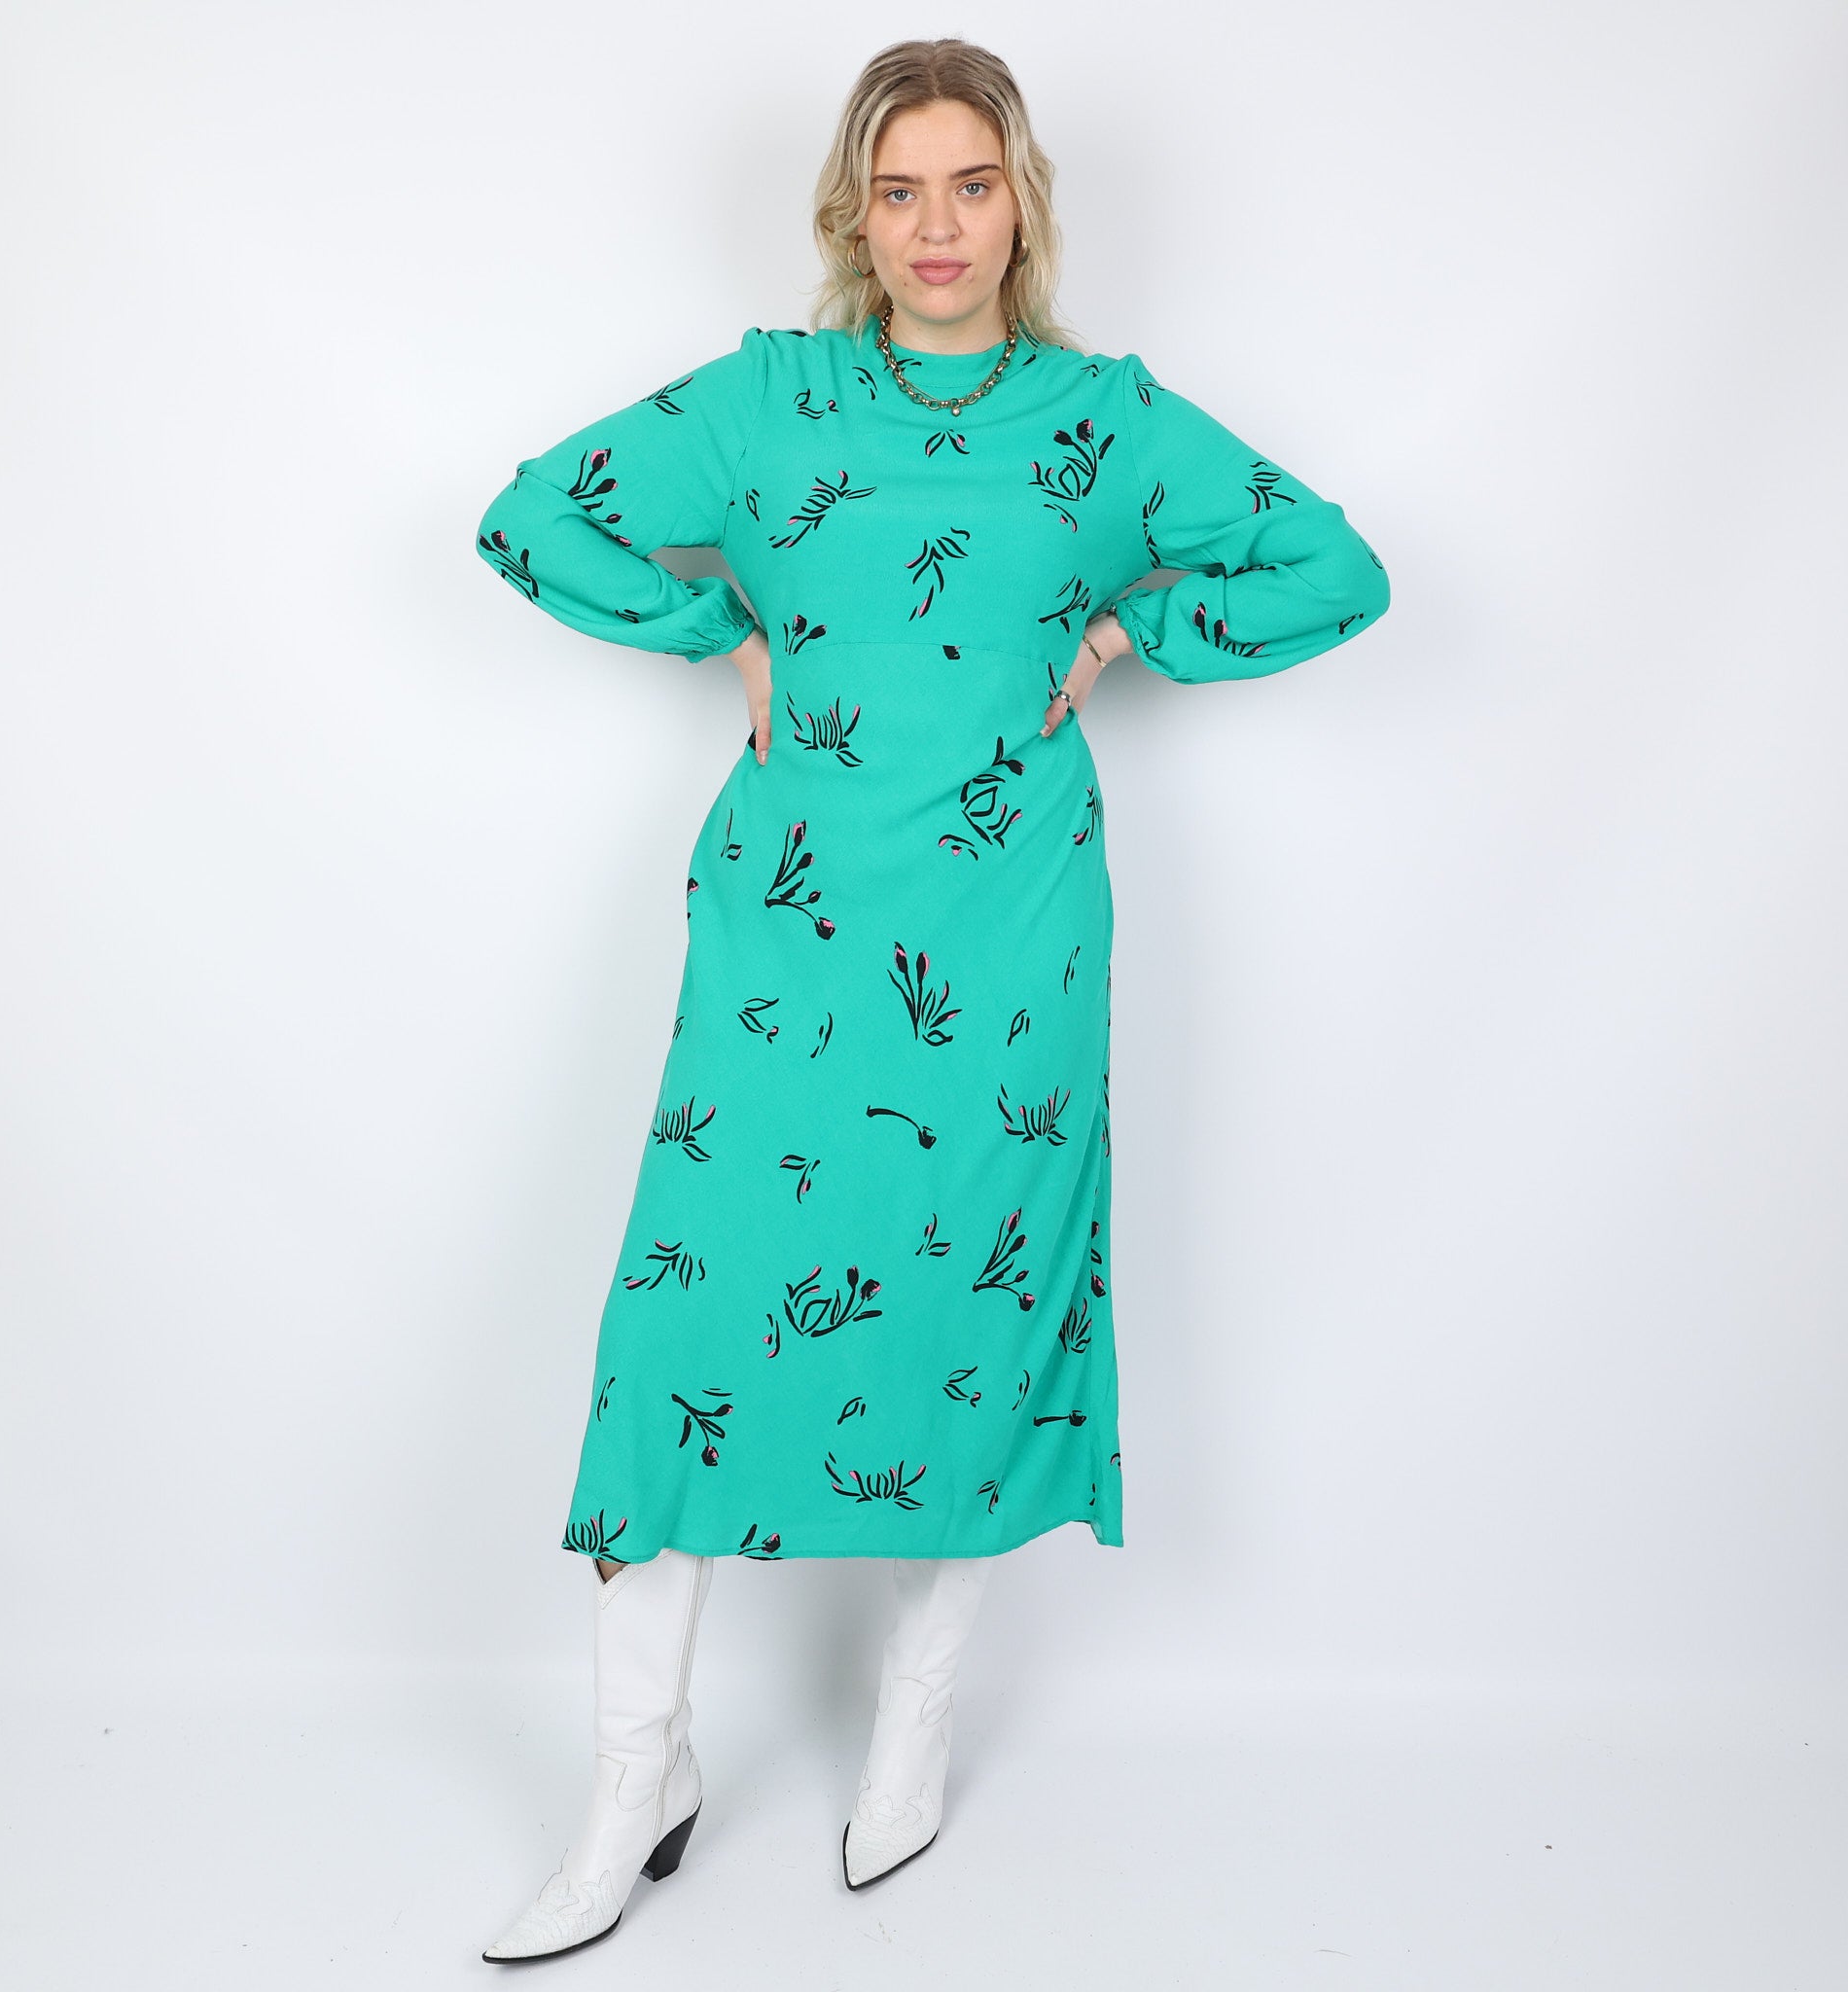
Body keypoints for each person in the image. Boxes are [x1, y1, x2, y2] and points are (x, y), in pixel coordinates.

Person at [472, 35, 1390, 1964]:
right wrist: (718, 628)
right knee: (679, 1333)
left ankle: (913, 1727)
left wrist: (1135, 624)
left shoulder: (1104, 421)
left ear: (1020, 206)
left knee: (965, 1317)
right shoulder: (770, 399)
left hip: (1007, 943)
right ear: (855, 214)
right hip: (786, 945)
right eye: (900, 191)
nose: (936, 226)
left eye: (971, 186)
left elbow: (1337, 568)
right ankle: (635, 1775)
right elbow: (532, 514)